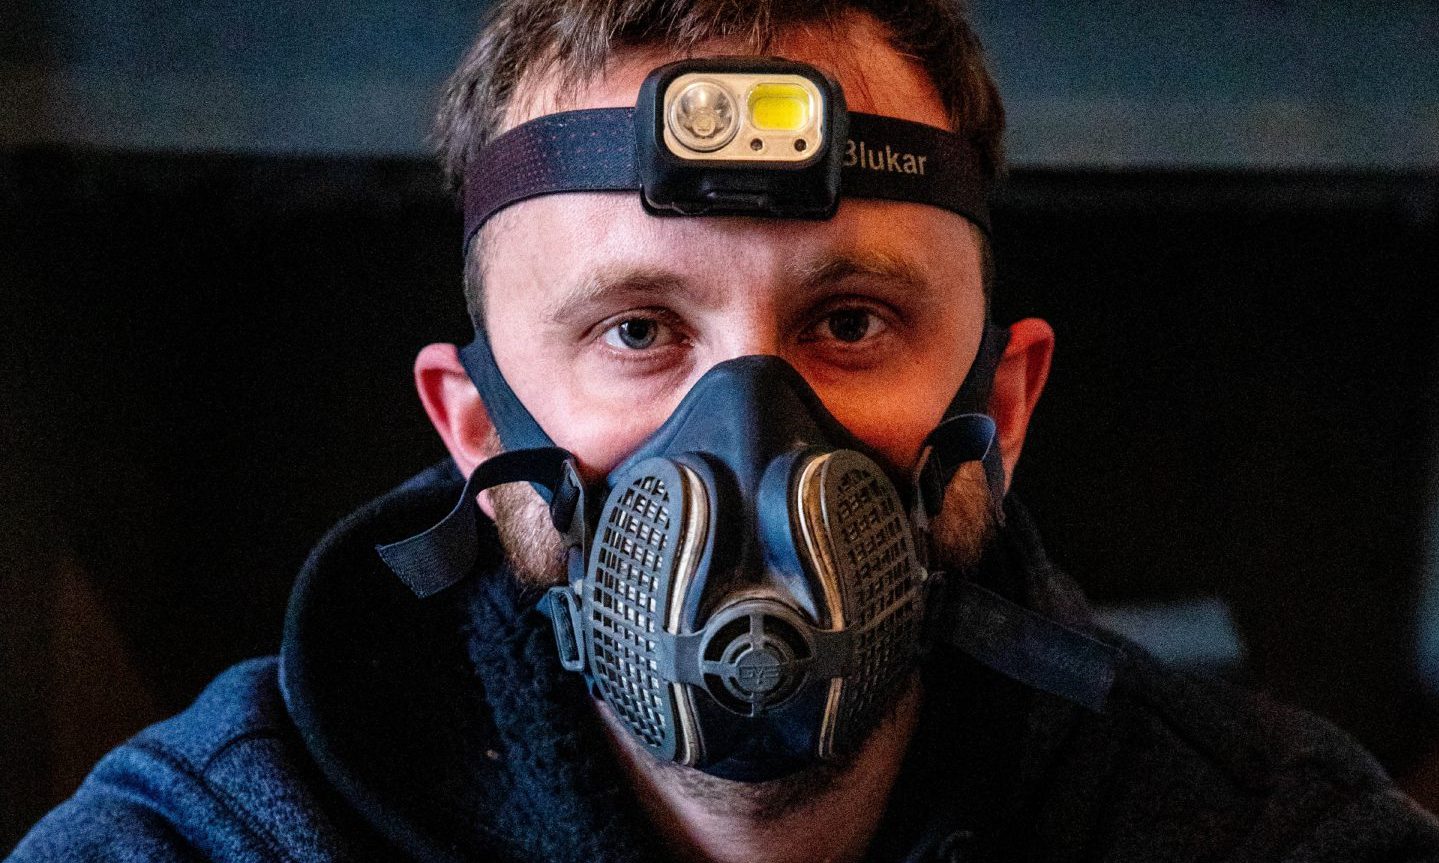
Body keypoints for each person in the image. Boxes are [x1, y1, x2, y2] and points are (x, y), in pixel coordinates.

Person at [10, 1, 1439, 861]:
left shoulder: (1261, 835)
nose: (750, 438)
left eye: (854, 322)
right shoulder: (214, 837)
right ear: (467, 425)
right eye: (637, 331)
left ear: (1000, 407)